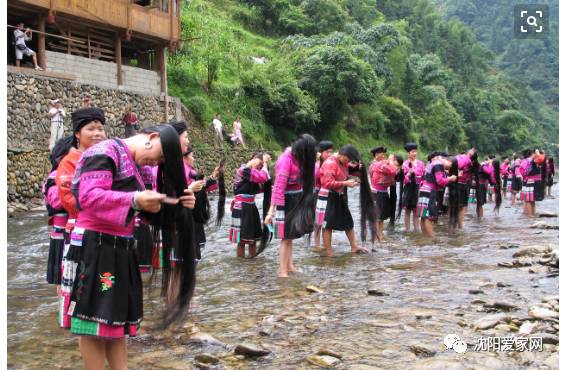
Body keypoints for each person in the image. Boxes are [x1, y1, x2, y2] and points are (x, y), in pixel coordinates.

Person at [65, 124, 196, 369]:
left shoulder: (141, 168)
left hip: (121, 247)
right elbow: (89, 197)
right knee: (94, 323)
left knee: (116, 323)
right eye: (161, 155)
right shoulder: (104, 152)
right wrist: (135, 199)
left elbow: (146, 214)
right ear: (152, 138)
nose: (158, 163)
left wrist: (179, 206)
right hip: (95, 247)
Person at [57, 107, 107, 329]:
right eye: (91, 129)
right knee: (83, 280)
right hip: (81, 230)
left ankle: (103, 319)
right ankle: (82, 323)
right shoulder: (70, 161)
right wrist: (101, 206)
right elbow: (68, 199)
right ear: (77, 133)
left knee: (103, 280)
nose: (97, 133)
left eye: (100, 128)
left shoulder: (105, 157)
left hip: (105, 229)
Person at [265, 134, 317, 278]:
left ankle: (290, 265)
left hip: (296, 198)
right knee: (285, 237)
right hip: (285, 200)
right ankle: (282, 271)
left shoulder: (300, 158)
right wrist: (271, 211)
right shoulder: (285, 159)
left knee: (291, 236)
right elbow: (279, 187)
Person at [314, 144, 369, 256]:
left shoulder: (342, 162)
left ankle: (354, 246)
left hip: (338, 195)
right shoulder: (330, 164)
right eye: (348, 159)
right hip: (327, 196)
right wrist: (345, 183)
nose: (348, 162)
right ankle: (328, 251)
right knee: (327, 224)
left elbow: (345, 174)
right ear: (343, 155)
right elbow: (327, 183)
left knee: (348, 221)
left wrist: (354, 175)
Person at [43, 136, 74, 289]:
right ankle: (63, 310)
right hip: (62, 235)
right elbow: (56, 202)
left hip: (69, 231)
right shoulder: (55, 176)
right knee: (63, 278)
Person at [230, 152, 271, 258]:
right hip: (242, 207)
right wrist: (265, 163)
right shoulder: (243, 170)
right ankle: (241, 266)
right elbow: (263, 176)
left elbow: (265, 178)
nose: (259, 166)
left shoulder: (256, 174)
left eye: (261, 165)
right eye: (259, 163)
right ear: (252, 159)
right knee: (242, 240)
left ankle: (252, 265)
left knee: (253, 240)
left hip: (251, 207)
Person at [417, 153, 457, 237]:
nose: (449, 168)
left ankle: (424, 237)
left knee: (423, 216)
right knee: (429, 216)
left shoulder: (433, 163)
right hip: (429, 191)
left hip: (424, 189)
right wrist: (450, 178)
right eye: (451, 166)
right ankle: (433, 239)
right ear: (448, 161)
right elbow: (440, 181)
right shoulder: (438, 165)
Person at [369, 146, 399, 242]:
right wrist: (390, 160)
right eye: (382, 154)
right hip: (378, 193)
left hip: (381, 192)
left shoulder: (375, 164)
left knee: (380, 217)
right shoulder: (378, 164)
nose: (383, 156)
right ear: (376, 155)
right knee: (378, 217)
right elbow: (393, 170)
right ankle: (378, 237)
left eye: (384, 154)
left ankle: (379, 236)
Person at [313, 140, 334, 251]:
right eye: (327, 152)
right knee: (318, 221)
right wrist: (316, 161)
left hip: (328, 194)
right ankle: (317, 244)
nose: (329, 155)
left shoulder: (331, 164)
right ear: (320, 153)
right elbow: (315, 176)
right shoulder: (316, 164)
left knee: (325, 220)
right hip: (317, 193)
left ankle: (325, 243)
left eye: (331, 152)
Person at [401, 143, 424, 233]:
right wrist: (409, 174)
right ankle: (407, 230)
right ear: (408, 153)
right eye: (412, 152)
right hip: (408, 188)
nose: (415, 153)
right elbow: (403, 179)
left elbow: (424, 176)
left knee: (416, 210)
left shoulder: (421, 163)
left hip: (418, 188)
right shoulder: (405, 164)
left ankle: (417, 230)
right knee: (407, 210)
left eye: (415, 151)